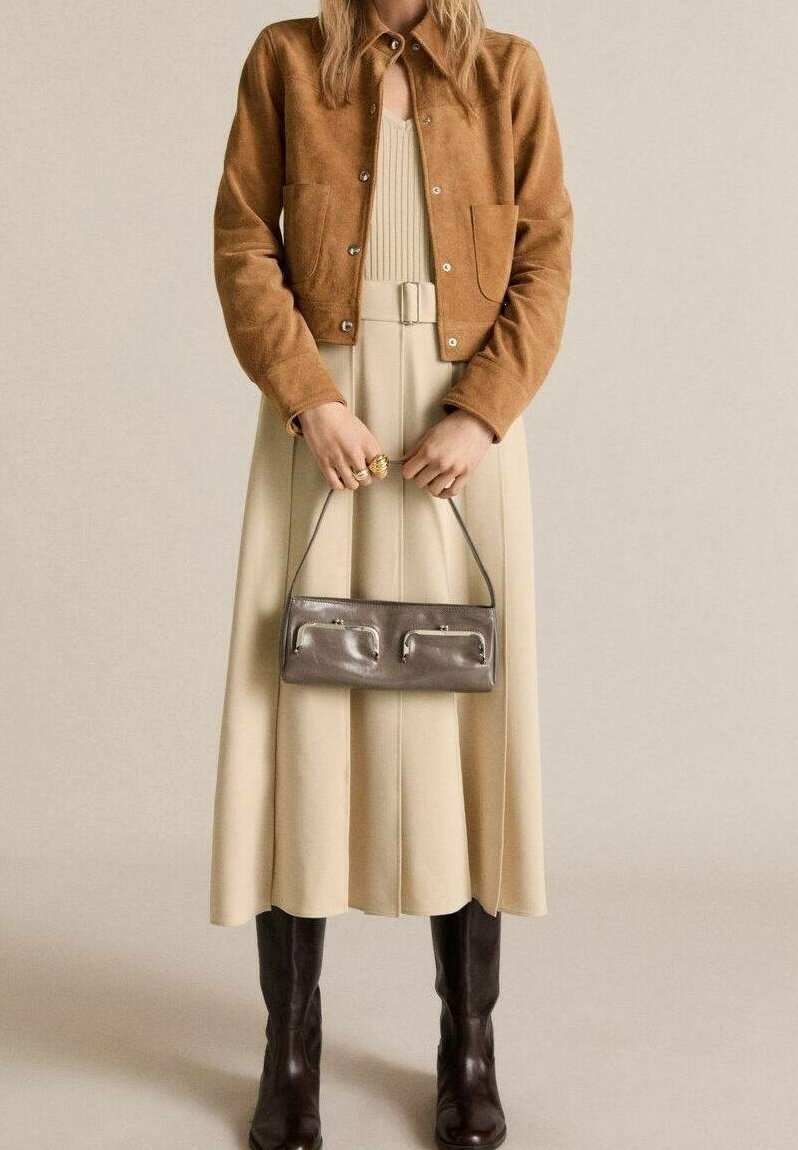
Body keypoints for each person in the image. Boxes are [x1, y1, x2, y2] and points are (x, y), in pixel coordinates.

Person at [211, 1, 573, 1147]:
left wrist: (483, 416)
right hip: (324, 413)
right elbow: (241, 240)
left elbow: (549, 252)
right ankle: (292, 1049)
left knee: (467, 724)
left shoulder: (510, 72)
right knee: (301, 714)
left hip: (464, 426)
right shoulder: (285, 60)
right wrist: (310, 397)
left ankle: (468, 1049)